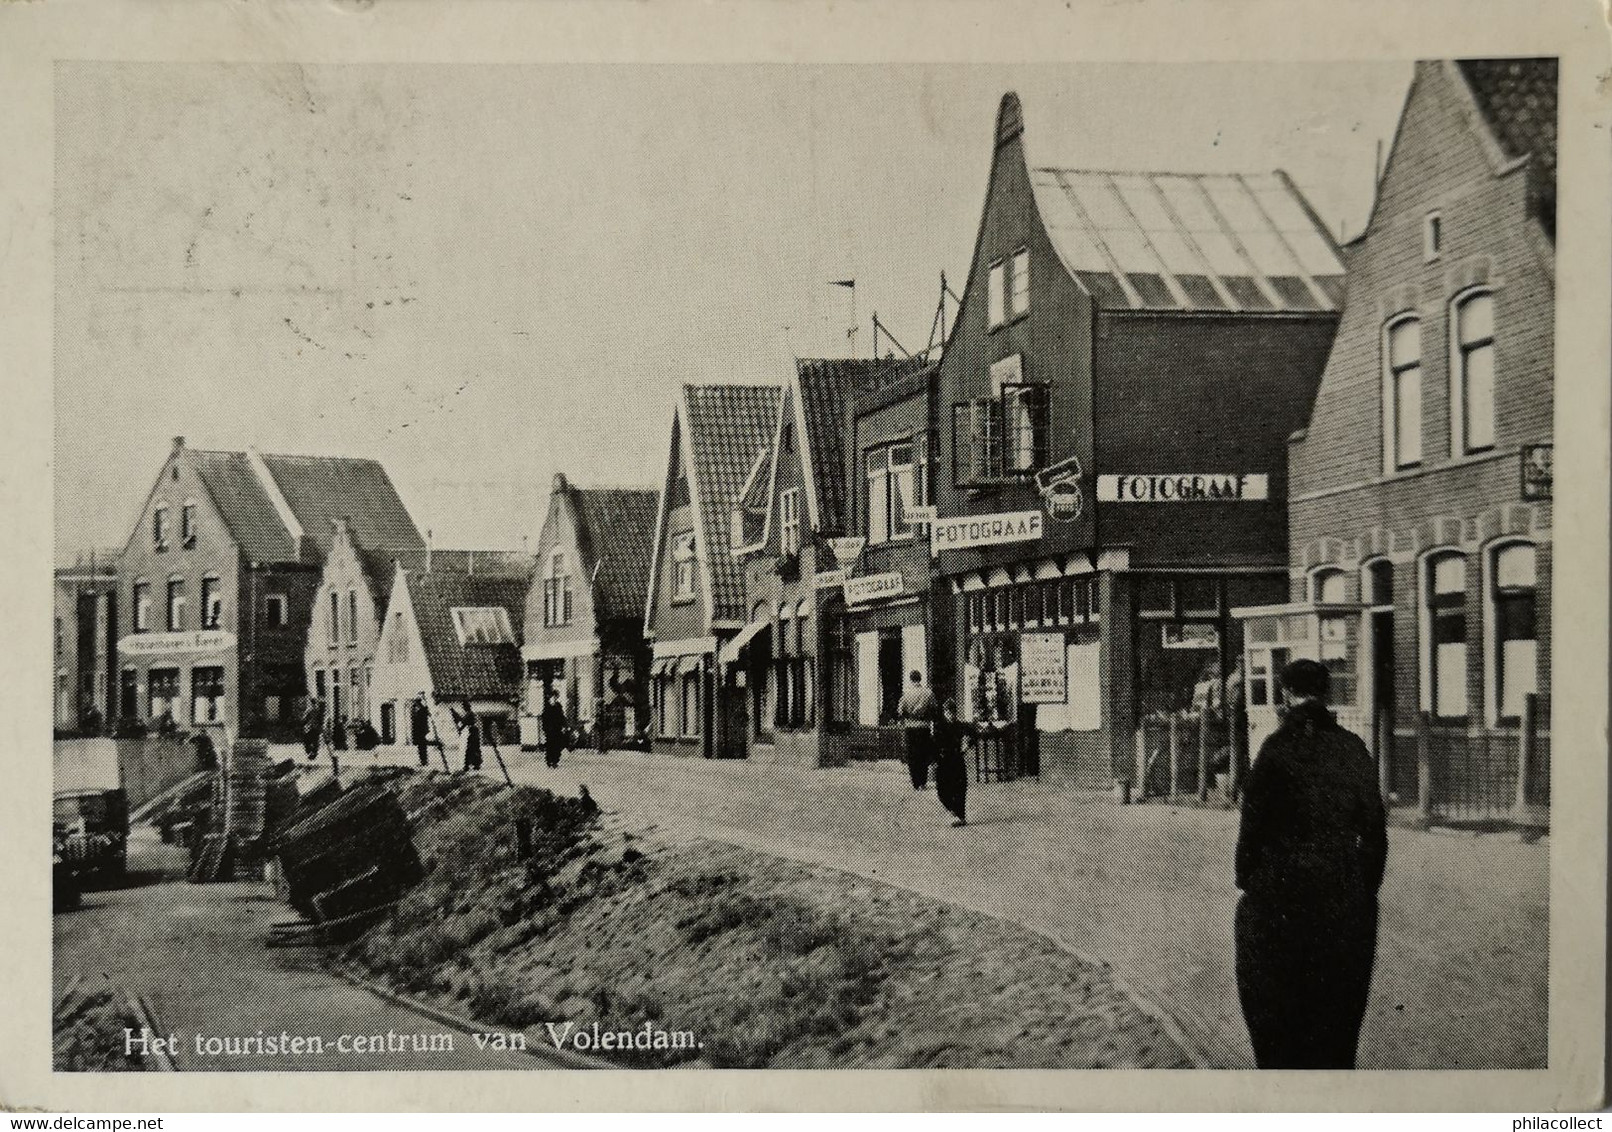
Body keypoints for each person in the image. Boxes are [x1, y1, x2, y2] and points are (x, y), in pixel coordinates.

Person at [1234, 658, 1388, 1069]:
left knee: (1277, 1022)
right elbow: (1374, 830)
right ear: (1328, 694)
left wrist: (1251, 880)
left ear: (1285, 694)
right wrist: (1360, 888)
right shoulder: (1352, 748)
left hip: (1278, 902)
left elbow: (1251, 830)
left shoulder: (1273, 750)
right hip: (1341, 900)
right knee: (1337, 1024)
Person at [931, 698, 972, 827]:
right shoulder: (938, 726)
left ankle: (960, 815)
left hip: (957, 758)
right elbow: (933, 744)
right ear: (944, 713)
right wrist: (934, 760)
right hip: (943, 760)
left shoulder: (960, 726)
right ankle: (952, 809)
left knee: (960, 787)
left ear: (955, 712)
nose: (951, 715)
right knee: (942, 790)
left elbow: (971, 735)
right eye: (948, 712)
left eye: (953, 712)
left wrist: (966, 745)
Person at [897, 670, 939, 790]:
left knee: (912, 755)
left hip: (910, 727)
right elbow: (934, 709)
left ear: (911, 679)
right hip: (924, 727)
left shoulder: (906, 694)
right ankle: (923, 782)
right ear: (920, 678)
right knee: (923, 754)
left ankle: (915, 782)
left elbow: (900, 711)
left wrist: (907, 718)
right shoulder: (928, 693)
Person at [450, 698, 482, 772]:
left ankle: (469, 766)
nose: (463, 708)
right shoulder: (469, 713)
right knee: (472, 750)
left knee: (471, 749)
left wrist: (455, 713)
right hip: (472, 733)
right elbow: (464, 723)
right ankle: (473, 765)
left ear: (466, 706)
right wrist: (460, 729)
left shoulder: (470, 714)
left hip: (474, 733)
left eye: (464, 707)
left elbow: (463, 721)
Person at [541, 691, 568, 769]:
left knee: (557, 745)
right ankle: (549, 760)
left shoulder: (558, 706)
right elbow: (544, 718)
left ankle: (555, 760)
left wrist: (564, 726)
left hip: (557, 728)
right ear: (551, 697)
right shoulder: (547, 707)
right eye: (553, 697)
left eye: (556, 697)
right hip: (549, 729)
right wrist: (545, 728)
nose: (555, 698)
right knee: (550, 745)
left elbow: (562, 716)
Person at [410, 695, 432, 768]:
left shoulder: (422, 710)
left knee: (422, 746)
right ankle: (423, 760)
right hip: (420, 731)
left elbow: (422, 718)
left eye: (416, 703)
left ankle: (424, 761)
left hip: (421, 731)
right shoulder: (421, 710)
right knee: (421, 746)